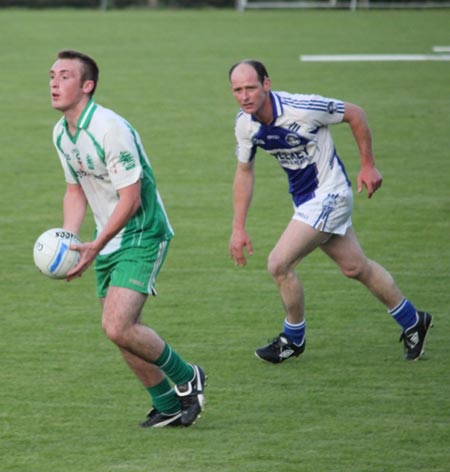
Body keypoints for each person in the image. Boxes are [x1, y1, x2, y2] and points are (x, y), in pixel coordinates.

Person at [228, 59, 432, 363]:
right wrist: (238, 227)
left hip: (331, 196)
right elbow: (244, 172)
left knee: (278, 264)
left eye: (251, 87)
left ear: (266, 84)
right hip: (307, 201)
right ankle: (413, 320)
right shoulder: (245, 125)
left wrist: (367, 165)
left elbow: (355, 114)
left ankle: (292, 339)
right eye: (237, 90)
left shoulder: (303, 107)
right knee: (355, 267)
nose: (244, 95)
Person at [49, 50, 206, 427]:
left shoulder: (109, 128)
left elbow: (131, 198)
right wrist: (70, 241)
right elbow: (75, 191)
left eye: (65, 76)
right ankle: (167, 405)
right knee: (119, 331)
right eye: (52, 75)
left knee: (118, 325)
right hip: (108, 237)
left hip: (142, 230)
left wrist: (96, 245)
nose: (54, 82)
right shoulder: (61, 134)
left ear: (87, 86)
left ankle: (188, 377)